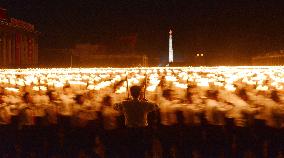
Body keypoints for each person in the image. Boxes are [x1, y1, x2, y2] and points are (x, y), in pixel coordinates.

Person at [114, 85, 158, 158]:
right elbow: (156, 106)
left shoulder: (125, 103)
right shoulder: (145, 104)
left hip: (130, 130)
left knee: (131, 150)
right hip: (142, 131)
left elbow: (115, 106)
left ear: (131, 93)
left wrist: (125, 101)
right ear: (140, 93)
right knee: (141, 150)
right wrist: (147, 100)